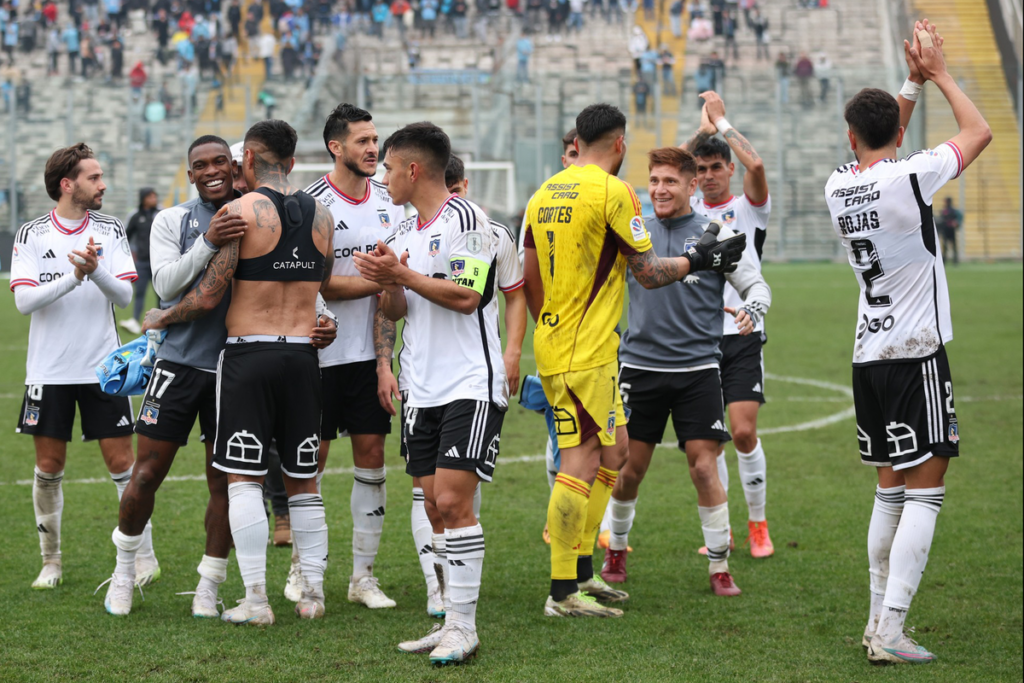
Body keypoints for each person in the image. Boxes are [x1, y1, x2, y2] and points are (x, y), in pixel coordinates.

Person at [522, 103, 747, 618]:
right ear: (619, 145)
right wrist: (699, 259)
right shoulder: (613, 191)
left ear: (578, 141)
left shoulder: (543, 193)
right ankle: (562, 593)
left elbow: (530, 274)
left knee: (617, 451)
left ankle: (583, 571)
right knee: (578, 462)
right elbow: (646, 272)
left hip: (567, 344)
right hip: (587, 352)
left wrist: (549, 325)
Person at [824, 20, 990, 664]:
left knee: (889, 488)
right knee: (927, 487)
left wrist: (908, 83)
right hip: (917, 351)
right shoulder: (909, 176)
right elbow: (980, 132)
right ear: (896, 136)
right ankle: (890, 630)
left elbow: (883, 142)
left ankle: (875, 622)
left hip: (869, 354)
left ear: (849, 136)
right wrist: (941, 72)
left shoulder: (840, 185)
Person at [142, 121, 337, 626]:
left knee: (244, 479)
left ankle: (255, 600)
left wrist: (164, 315)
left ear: (247, 160)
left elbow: (209, 292)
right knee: (303, 481)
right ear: (292, 161)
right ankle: (312, 594)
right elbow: (322, 286)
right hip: (302, 356)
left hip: (249, 356)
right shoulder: (324, 215)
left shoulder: (240, 212)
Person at [353, 123, 507, 664]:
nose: (383, 175)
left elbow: (467, 297)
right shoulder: (403, 228)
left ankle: (464, 626)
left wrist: (402, 273)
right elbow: (397, 310)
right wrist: (388, 281)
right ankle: (447, 623)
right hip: (421, 388)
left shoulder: (467, 219)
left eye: (390, 167)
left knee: (452, 502)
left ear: (414, 169)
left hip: (470, 383)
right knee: (433, 509)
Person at [601, 146, 771, 596]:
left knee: (703, 469)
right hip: (639, 367)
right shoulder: (633, 231)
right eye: (654, 180)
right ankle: (615, 550)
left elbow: (755, 283)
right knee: (629, 470)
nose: (659, 189)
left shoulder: (716, 233)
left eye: (670, 181)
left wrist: (753, 306)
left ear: (691, 186)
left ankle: (719, 566)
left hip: (698, 370)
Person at [100, 136, 244, 616]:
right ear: (190, 174)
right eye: (200, 165)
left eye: (219, 161)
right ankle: (123, 573)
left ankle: (209, 586)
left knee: (222, 483)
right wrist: (209, 240)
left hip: (234, 368)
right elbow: (163, 285)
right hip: (178, 367)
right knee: (146, 474)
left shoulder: (258, 213)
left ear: (233, 165)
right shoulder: (173, 220)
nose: (211, 171)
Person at [10, 143, 144, 591]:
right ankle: (51, 561)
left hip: (104, 368)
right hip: (48, 372)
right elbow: (24, 301)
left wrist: (95, 269)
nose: (102, 184)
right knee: (49, 466)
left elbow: (124, 296)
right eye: (94, 177)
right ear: (68, 185)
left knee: (123, 463)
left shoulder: (110, 228)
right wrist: (75, 277)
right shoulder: (31, 234)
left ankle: (142, 556)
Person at [301, 104, 406, 610]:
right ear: (335, 147)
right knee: (310, 466)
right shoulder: (311, 204)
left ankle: (362, 577)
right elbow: (314, 282)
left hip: (367, 359)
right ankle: (305, 571)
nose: (372, 149)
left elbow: (389, 294)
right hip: (315, 358)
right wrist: (378, 280)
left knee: (372, 461)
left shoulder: (391, 202)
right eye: (362, 141)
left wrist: (385, 364)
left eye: (375, 140)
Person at [680, 91, 775, 558]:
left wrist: (721, 124)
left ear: (728, 170)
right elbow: (671, 164)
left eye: (716, 167)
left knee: (741, 432)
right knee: (708, 445)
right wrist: (701, 131)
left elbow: (757, 167)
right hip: (698, 339)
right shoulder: (687, 214)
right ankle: (724, 528)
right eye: (700, 169)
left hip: (742, 335)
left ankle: (758, 523)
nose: (708, 176)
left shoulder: (748, 208)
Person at [442, 152, 526, 550]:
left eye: (458, 191)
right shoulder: (412, 233)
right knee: (427, 490)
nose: (455, 203)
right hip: (423, 375)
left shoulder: (494, 234)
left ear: (466, 187)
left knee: (459, 481)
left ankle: (454, 574)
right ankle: (435, 583)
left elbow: (515, 295)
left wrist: (512, 352)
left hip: (476, 369)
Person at [121, 188, 160, 335]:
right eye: (150, 196)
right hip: (142, 263)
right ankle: (135, 321)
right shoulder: (136, 216)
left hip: (159, 263)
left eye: (155, 196)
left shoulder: (161, 214)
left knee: (161, 294)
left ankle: (160, 322)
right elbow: (126, 237)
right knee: (139, 293)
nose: (154, 199)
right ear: (143, 198)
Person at [936, 197, 961, 265]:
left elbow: (957, 219)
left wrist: (956, 223)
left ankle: (954, 260)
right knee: (946, 246)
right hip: (946, 230)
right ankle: (948, 260)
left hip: (950, 230)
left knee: (950, 246)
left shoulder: (951, 211)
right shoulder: (946, 211)